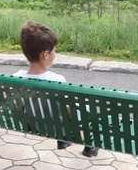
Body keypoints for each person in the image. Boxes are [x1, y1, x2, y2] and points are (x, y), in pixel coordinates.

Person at [13, 21, 99, 158]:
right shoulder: (57, 80)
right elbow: (71, 114)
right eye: (54, 50)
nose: (55, 53)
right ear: (46, 55)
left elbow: (17, 108)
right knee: (89, 115)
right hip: (60, 130)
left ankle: (64, 141)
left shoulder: (15, 78)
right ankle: (89, 147)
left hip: (34, 126)